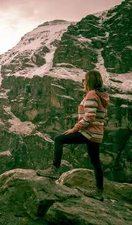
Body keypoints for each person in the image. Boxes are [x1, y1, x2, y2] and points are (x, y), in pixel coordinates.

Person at [37, 70, 110, 198]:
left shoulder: (92, 94)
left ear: (90, 81)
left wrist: (75, 129)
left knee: (59, 139)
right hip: (96, 134)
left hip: (89, 132)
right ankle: (99, 192)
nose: (83, 82)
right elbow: (102, 116)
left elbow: (90, 116)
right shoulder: (101, 95)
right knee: (95, 162)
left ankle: (54, 169)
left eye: (85, 79)